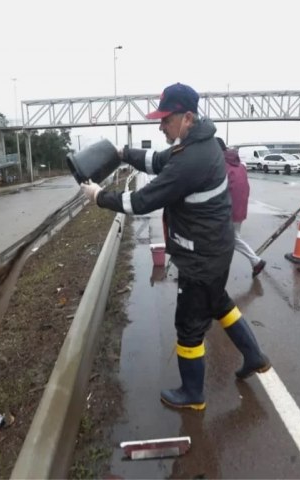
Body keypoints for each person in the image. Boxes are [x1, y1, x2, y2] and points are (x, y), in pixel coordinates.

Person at [80, 83, 271, 410]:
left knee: (189, 326)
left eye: (165, 119)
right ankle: (255, 356)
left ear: (187, 118)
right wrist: (125, 153)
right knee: (220, 303)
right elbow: (156, 159)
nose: (160, 125)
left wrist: (100, 197)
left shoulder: (191, 160)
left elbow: (142, 200)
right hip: (216, 249)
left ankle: (193, 394)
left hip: (202, 258)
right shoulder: (198, 143)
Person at [216, 137, 266, 277]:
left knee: (230, 238)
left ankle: (256, 261)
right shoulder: (239, 164)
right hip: (240, 207)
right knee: (230, 238)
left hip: (228, 209)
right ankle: (220, 267)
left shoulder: (221, 165)